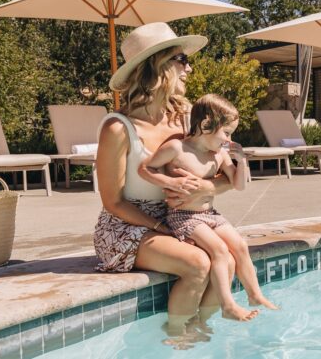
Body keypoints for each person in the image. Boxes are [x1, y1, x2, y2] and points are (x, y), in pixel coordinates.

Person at [94, 22, 234, 344]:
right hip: (126, 224)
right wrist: (161, 228)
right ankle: (176, 337)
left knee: (228, 257)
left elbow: (224, 174)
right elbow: (112, 201)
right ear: (156, 67)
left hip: (179, 217)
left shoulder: (187, 118)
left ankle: (198, 327)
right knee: (198, 263)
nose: (189, 67)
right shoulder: (118, 128)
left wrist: (209, 189)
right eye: (181, 59)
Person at [139, 94, 278, 321]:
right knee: (220, 251)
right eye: (226, 132)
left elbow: (239, 185)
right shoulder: (177, 148)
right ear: (205, 125)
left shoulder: (220, 154)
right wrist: (170, 182)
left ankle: (255, 294)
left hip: (210, 214)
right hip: (184, 217)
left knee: (240, 246)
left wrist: (241, 161)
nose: (228, 139)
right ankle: (228, 305)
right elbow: (145, 169)